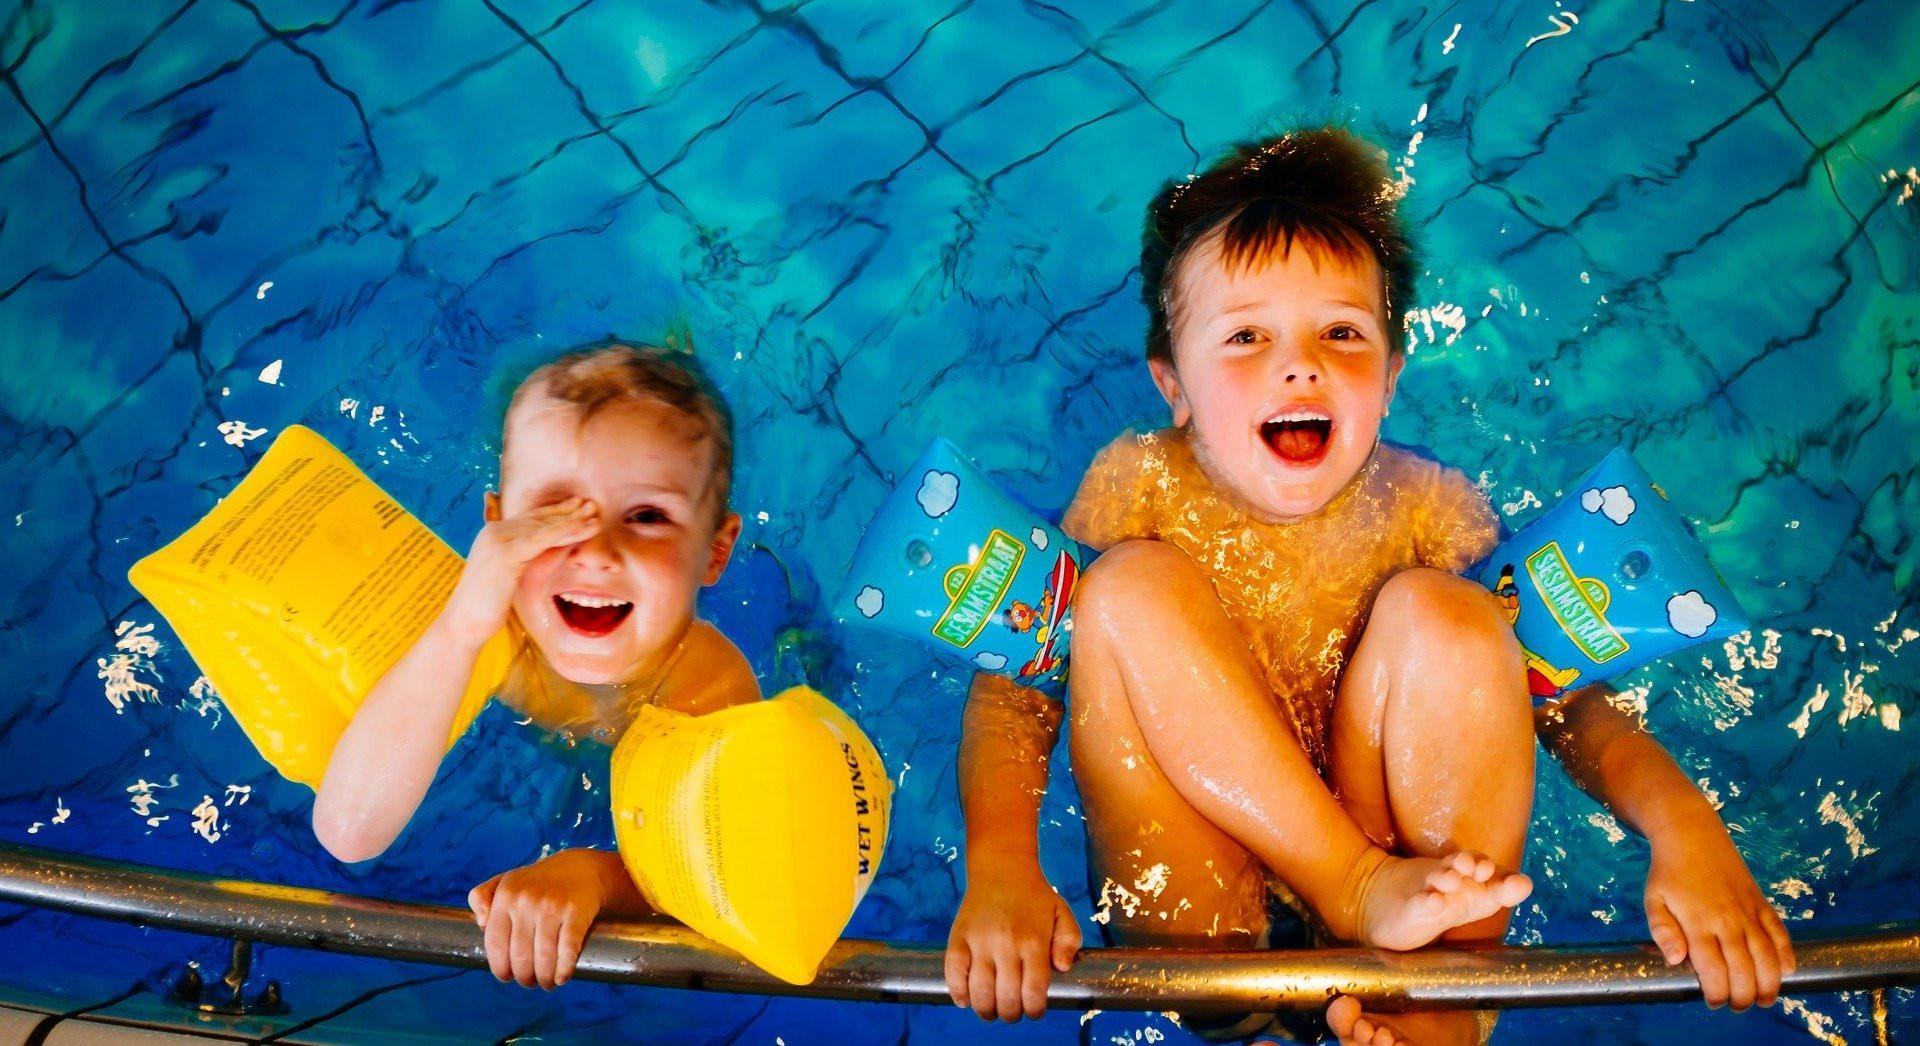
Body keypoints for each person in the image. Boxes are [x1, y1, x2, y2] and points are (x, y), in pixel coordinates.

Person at [944, 127, 1794, 1044]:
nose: (1298, 364)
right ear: (1173, 384)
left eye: (1341, 333)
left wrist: (1685, 830)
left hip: (1410, 899)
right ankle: (1275, 996)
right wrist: (1001, 866)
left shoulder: (1429, 505)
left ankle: (1430, 1022)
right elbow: (1017, 682)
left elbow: (1564, 696)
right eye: (1244, 336)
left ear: (1389, 377)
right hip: (1206, 913)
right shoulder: (1137, 483)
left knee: (1461, 619)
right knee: (1125, 591)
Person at [314, 340, 760, 990]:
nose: (597, 551)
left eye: (647, 516)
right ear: (496, 526)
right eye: (555, 511)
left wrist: (597, 878)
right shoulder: (488, 629)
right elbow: (349, 832)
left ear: (715, 553)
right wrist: (461, 630)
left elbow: (720, 872)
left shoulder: (709, 687)